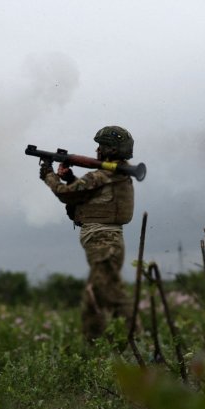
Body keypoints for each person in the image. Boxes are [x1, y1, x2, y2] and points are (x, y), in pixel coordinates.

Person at [39, 126, 135, 341]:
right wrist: (71, 177)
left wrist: (49, 176)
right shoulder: (119, 174)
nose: (97, 150)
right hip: (106, 240)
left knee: (108, 294)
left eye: (101, 146)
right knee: (98, 295)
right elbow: (88, 196)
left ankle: (131, 344)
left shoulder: (103, 175)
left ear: (110, 150)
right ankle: (101, 345)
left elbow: (65, 194)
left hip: (103, 241)